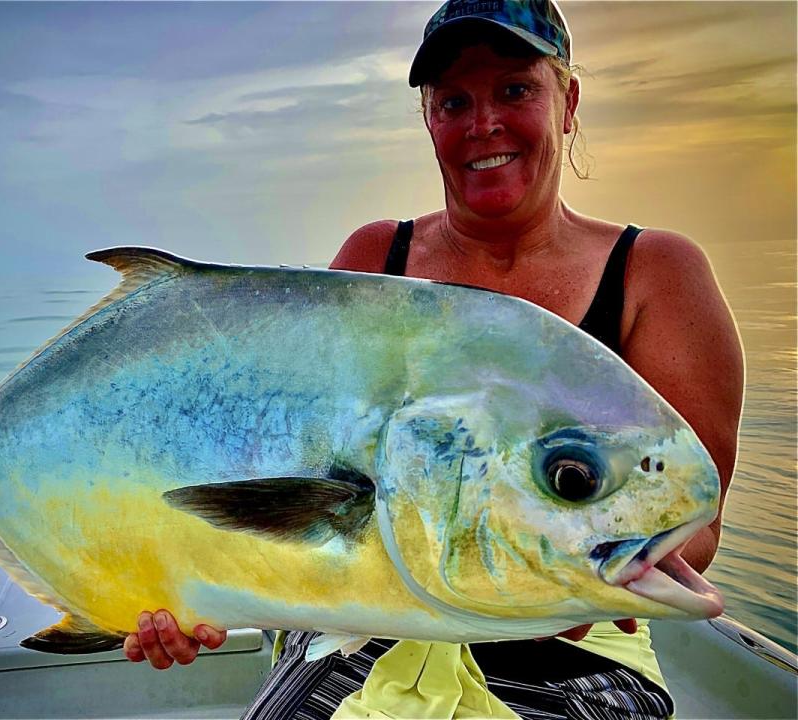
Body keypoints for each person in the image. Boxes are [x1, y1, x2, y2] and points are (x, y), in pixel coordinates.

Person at [123, 1, 744, 717]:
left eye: (515, 89)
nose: (484, 124)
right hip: (364, 628)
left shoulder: (657, 273)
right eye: (454, 101)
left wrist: (566, 572)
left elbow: (693, 519)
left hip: (574, 645)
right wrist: (183, 581)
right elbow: (299, 479)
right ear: (428, 119)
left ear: (568, 100)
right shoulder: (373, 263)